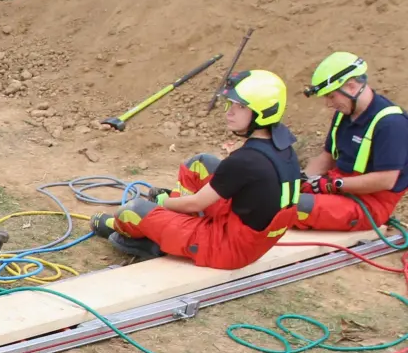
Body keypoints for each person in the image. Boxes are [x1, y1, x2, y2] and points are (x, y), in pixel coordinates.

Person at [90, 70, 305, 269]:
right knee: (200, 163)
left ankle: (127, 229)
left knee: (132, 211)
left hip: (227, 248)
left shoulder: (245, 160)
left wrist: (162, 203)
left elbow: (196, 202)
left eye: (240, 107)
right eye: (230, 104)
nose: (230, 113)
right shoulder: (283, 148)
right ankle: (174, 224)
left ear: (262, 113)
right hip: (250, 237)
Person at [296, 52, 408, 232]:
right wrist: (299, 179)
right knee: (276, 197)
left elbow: (386, 180)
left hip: (369, 205)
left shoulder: (391, 124)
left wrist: (335, 185)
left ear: (351, 86)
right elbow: (327, 157)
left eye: (332, 96)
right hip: (340, 189)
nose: (329, 104)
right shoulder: (344, 115)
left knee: (293, 208)